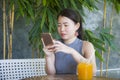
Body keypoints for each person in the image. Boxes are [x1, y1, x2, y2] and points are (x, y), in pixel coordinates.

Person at [43, 8, 97, 75]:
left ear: (77, 26)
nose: (62, 29)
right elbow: (51, 74)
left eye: (66, 25)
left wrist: (71, 51)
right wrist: (48, 56)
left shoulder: (86, 46)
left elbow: (92, 72)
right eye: (59, 25)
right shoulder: (55, 45)